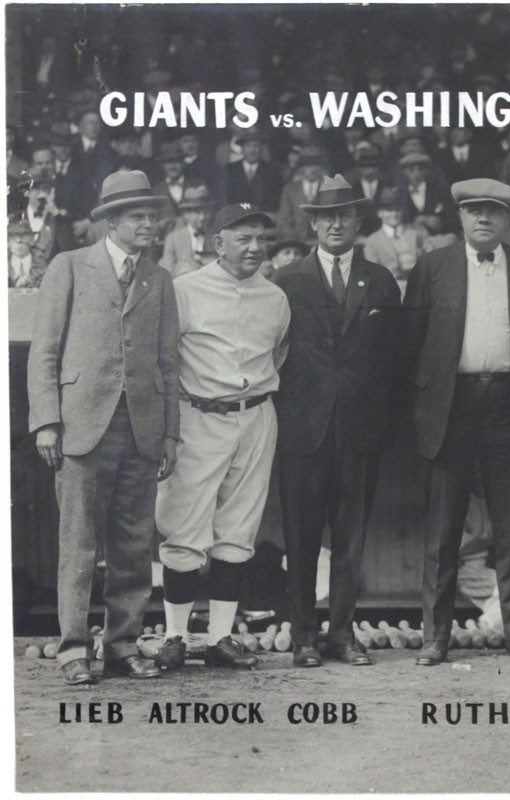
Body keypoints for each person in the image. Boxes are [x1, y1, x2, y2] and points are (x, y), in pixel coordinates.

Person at [27, 170, 179, 684]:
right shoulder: (70, 267)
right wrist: (47, 421)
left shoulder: (158, 279)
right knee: (79, 542)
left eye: (152, 216)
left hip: (142, 428)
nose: (149, 224)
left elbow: (168, 363)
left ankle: (122, 645)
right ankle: (74, 649)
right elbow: (44, 352)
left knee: (134, 545)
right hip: (80, 427)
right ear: (110, 221)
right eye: (137, 216)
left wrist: (169, 434)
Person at [403, 178, 510, 666]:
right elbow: (411, 343)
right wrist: (422, 410)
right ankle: (435, 636)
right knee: (444, 528)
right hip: (451, 406)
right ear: (461, 217)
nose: (483, 219)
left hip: (509, 404)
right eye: (474, 211)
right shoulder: (433, 267)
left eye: (493, 211)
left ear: (508, 219)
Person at [273, 174, 403, 667]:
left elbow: (394, 358)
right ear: (312, 224)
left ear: (357, 221)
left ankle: (343, 634)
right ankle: (304, 635)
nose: (335, 225)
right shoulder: (287, 281)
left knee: (351, 537)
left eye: (344, 215)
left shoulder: (380, 280)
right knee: (302, 536)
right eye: (326, 217)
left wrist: (381, 422)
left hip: (359, 429)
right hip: (303, 430)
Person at [153, 203, 290, 672]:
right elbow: (165, 360)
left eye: (261, 239)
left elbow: (279, 353)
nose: (255, 248)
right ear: (218, 243)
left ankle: (220, 638)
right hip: (198, 415)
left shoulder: (275, 297)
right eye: (243, 238)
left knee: (238, 529)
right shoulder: (185, 290)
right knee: (184, 528)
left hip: (256, 415)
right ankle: (174, 635)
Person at [159, 185, 217, 279]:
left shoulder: (217, 237)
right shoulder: (173, 239)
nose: (202, 217)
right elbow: (167, 271)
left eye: (206, 212)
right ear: (186, 214)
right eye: (197, 213)